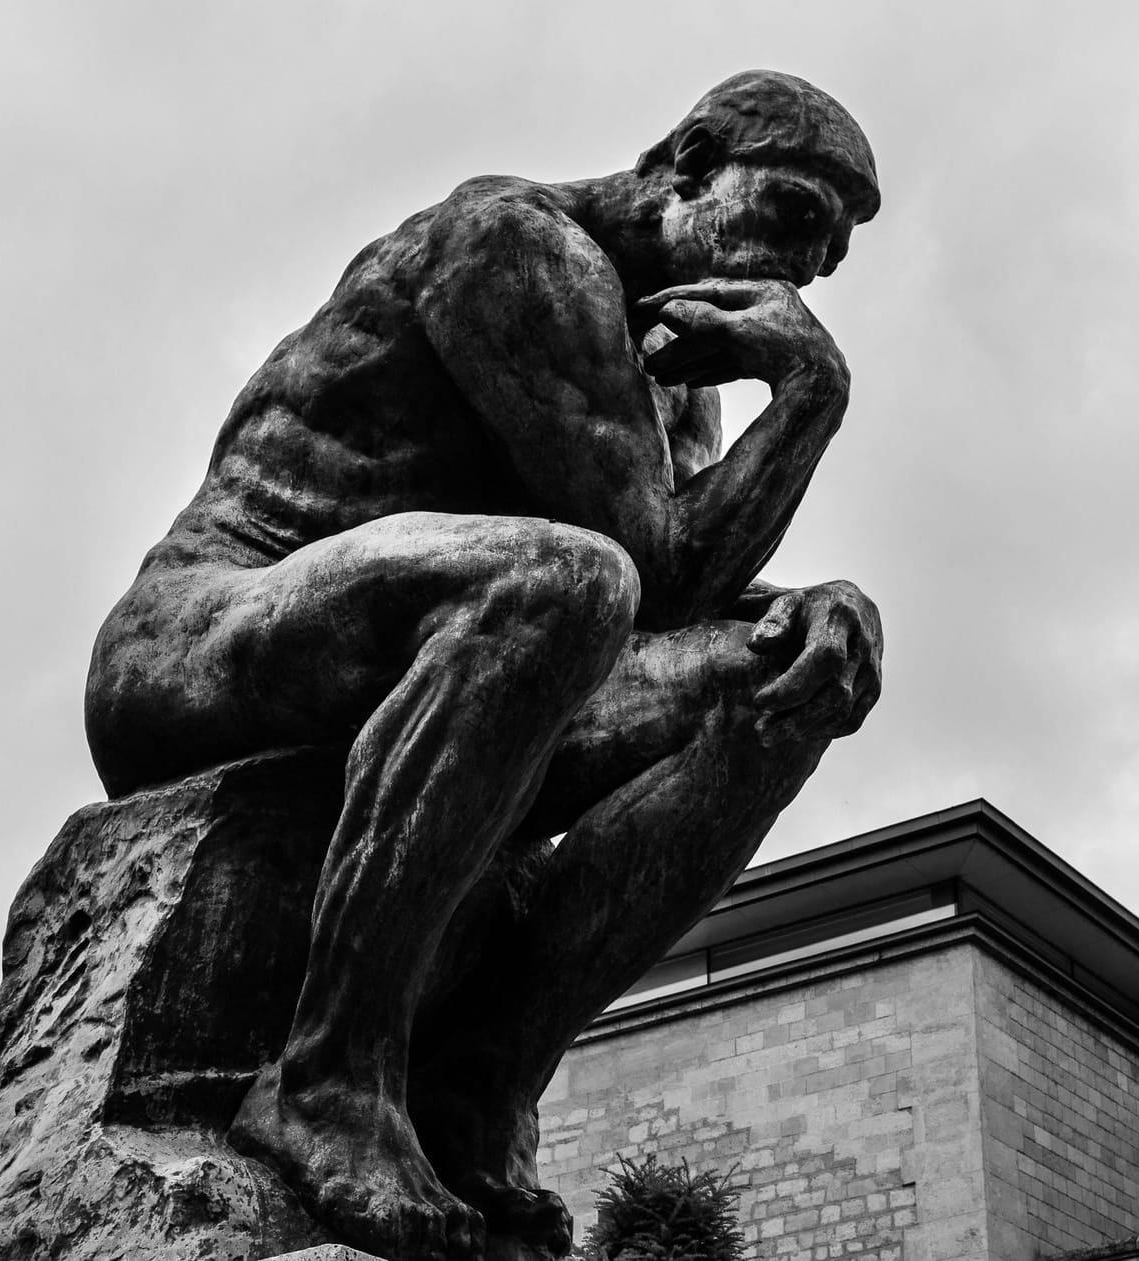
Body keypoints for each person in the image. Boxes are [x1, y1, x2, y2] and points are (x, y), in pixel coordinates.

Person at [84, 70, 884, 1261]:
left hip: (443, 655)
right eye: (792, 213)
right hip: (207, 643)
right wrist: (812, 393)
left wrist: (818, 610)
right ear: (690, 161)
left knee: (789, 667)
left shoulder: (677, 380)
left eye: (829, 252)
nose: (805, 266)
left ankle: (475, 1087)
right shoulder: (515, 242)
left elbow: (685, 592)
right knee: (571, 581)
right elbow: (649, 572)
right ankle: (328, 1077)